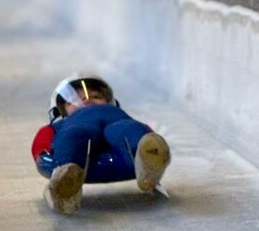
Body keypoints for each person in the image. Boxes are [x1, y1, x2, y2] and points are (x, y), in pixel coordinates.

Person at [31, 74, 171, 215]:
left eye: (96, 97)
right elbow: (43, 140)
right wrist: (43, 155)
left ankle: (145, 157)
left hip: (115, 124)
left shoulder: (117, 114)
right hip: (78, 126)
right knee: (74, 135)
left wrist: (148, 139)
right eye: (75, 100)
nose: (88, 100)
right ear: (60, 110)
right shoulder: (63, 124)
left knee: (130, 129)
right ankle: (65, 173)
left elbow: (142, 128)